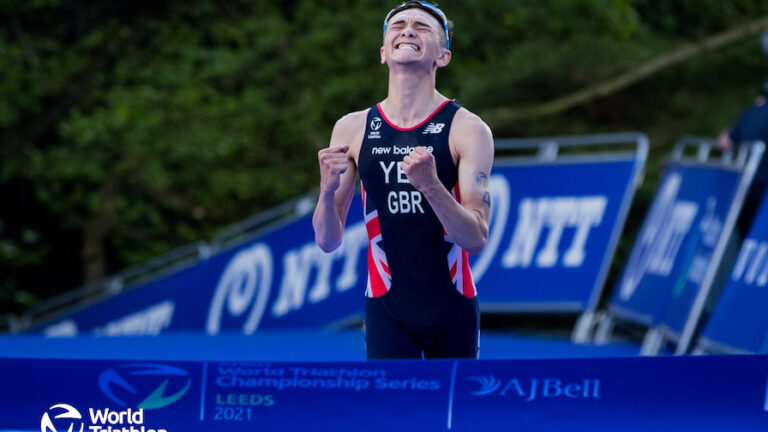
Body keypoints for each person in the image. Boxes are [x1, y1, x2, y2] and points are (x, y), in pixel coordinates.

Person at [312, 1, 494, 359]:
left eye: (422, 27)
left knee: (454, 416)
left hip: (453, 306)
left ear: (443, 56)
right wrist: (325, 191)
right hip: (387, 308)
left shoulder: (468, 129)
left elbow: (476, 239)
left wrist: (430, 185)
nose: (408, 30)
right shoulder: (352, 127)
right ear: (383, 52)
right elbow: (327, 241)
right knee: (390, 415)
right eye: (399, 25)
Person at [718, 78, 768, 237]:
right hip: (762, 188)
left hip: (746, 185)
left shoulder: (751, 113)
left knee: (747, 237)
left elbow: (725, 142)